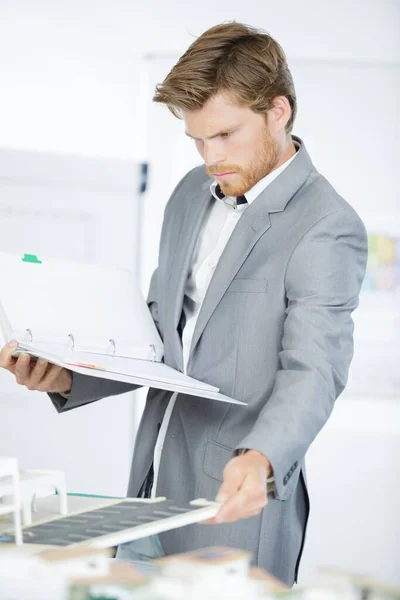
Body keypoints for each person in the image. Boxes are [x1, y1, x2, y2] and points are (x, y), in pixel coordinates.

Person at [0, 22, 368, 585]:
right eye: (196, 139)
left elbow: (314, 369)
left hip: (232, 502)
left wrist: (264, 456)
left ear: (278, 111)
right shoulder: (188, 196)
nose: (209, 157)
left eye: (224, 134)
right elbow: (157, 339)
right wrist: (67, 379)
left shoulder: (327, 225)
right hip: (144, 495)